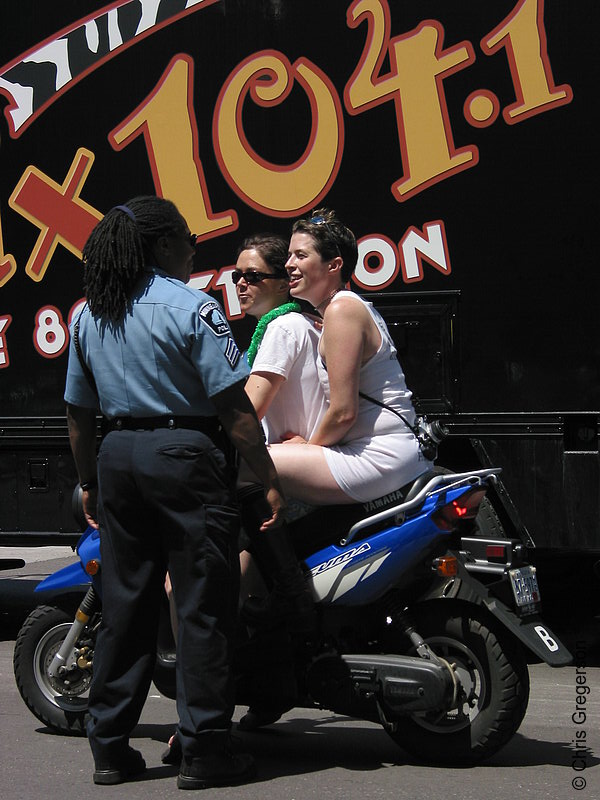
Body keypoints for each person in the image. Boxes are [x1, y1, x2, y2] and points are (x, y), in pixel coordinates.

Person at [64, 196, 285, 789]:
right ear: (163, 247)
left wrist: (88, 480)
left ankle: (109, 749)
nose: (194, 247)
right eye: (187, 238)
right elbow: (234, 409)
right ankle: (205, 751)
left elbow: (79, 415)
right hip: (185, 457)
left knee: (125, 608)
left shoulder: (90, 315)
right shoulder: (192, 306)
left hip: (117, 459)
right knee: (201, 609)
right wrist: (265, 477)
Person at [256, 207, 432, 512]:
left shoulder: (342, 310)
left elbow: (343, 413)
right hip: (385, 451)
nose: (289, 265)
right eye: (289, 255)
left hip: (380, 455)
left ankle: (270, 559)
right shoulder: (340, 311)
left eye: (301, 255)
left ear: (334, 265)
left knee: (245, 461)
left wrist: (307, 450)